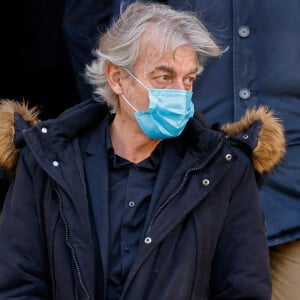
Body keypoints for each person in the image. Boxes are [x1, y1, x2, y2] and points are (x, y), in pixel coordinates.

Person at [0, 2, 285, 299]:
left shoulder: (225, 167)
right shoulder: (46, 161)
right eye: (163, 77)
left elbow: (243, 289)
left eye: (188, 79)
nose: (180, 94)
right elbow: (19, 284)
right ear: (117, 78)